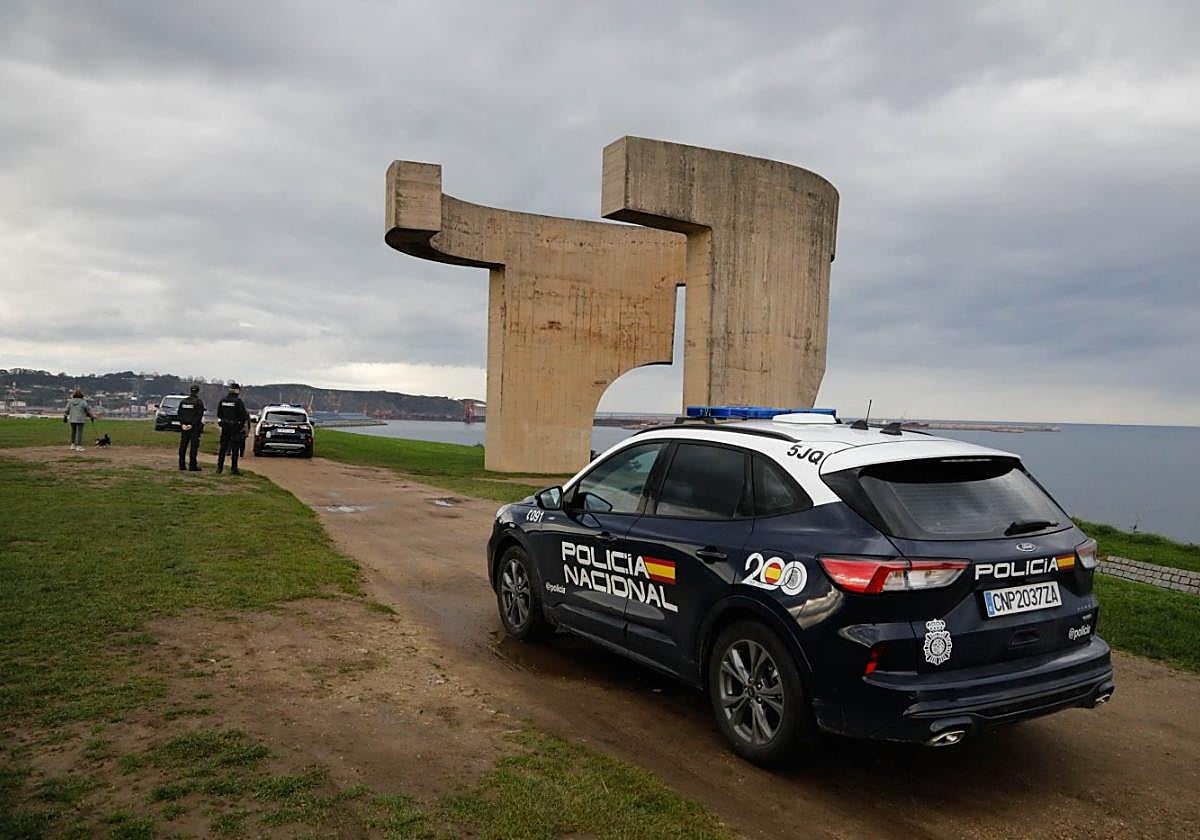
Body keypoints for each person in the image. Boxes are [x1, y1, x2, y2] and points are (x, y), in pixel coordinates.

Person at [216, 382, 249, 475]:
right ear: (237, 390)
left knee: (223, 448)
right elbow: (243, 415)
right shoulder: (238, 401)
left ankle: (219, 468)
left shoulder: (223, 400)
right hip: (235, 427)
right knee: (235, 449)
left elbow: (219, 414)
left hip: (225, 426)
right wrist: (240, 424)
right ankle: (234, 469)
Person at [177, 384, 205, 471]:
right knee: (193, 447)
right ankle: (192, 465)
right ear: (198, 391)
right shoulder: (199, 402)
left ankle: (181, 465)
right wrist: (192, 425)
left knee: (183, 446)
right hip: (194, 428)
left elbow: (179, 413)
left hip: (184, 427)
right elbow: (199, 415)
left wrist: (182, 424)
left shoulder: (183, 402)